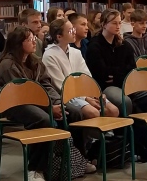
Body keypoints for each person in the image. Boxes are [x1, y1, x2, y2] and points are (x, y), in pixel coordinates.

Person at [85, 9, 147, 160]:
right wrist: (119, 72)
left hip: (128, 85)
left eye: (119, 23)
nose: (118, 26)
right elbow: (102, 74)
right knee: (125, 101)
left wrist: (116, 74)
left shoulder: (123, 44)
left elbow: (131, 69)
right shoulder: (95, 45)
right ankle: (130, 146)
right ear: (104, 24)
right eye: (114, 23)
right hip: (106, 88)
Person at [43, 17, 119, 168]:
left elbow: (86, 77)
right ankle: (87, 149)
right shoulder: (49, 55)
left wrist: (95, 94)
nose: (74, 32)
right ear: (59, 36)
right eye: (70, 30)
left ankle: (100, 147)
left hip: (83, 93)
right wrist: (85, 98)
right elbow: (61, 85)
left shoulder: (75, 52)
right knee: (93, 112)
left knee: (113, 110)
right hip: (67, 96)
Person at [0, 26, 61, 181]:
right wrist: (49, 108)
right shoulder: (8, 65)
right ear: (18, 43)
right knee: (43, 120)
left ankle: (69, 161)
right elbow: (21, 95)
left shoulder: (35, 61)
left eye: (34, 39)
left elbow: (46, 84)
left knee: (71, 112)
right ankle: (35, 169)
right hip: (14, 105)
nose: (34, 42)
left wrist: (58, 102)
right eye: (29, 40)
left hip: (36, 102)